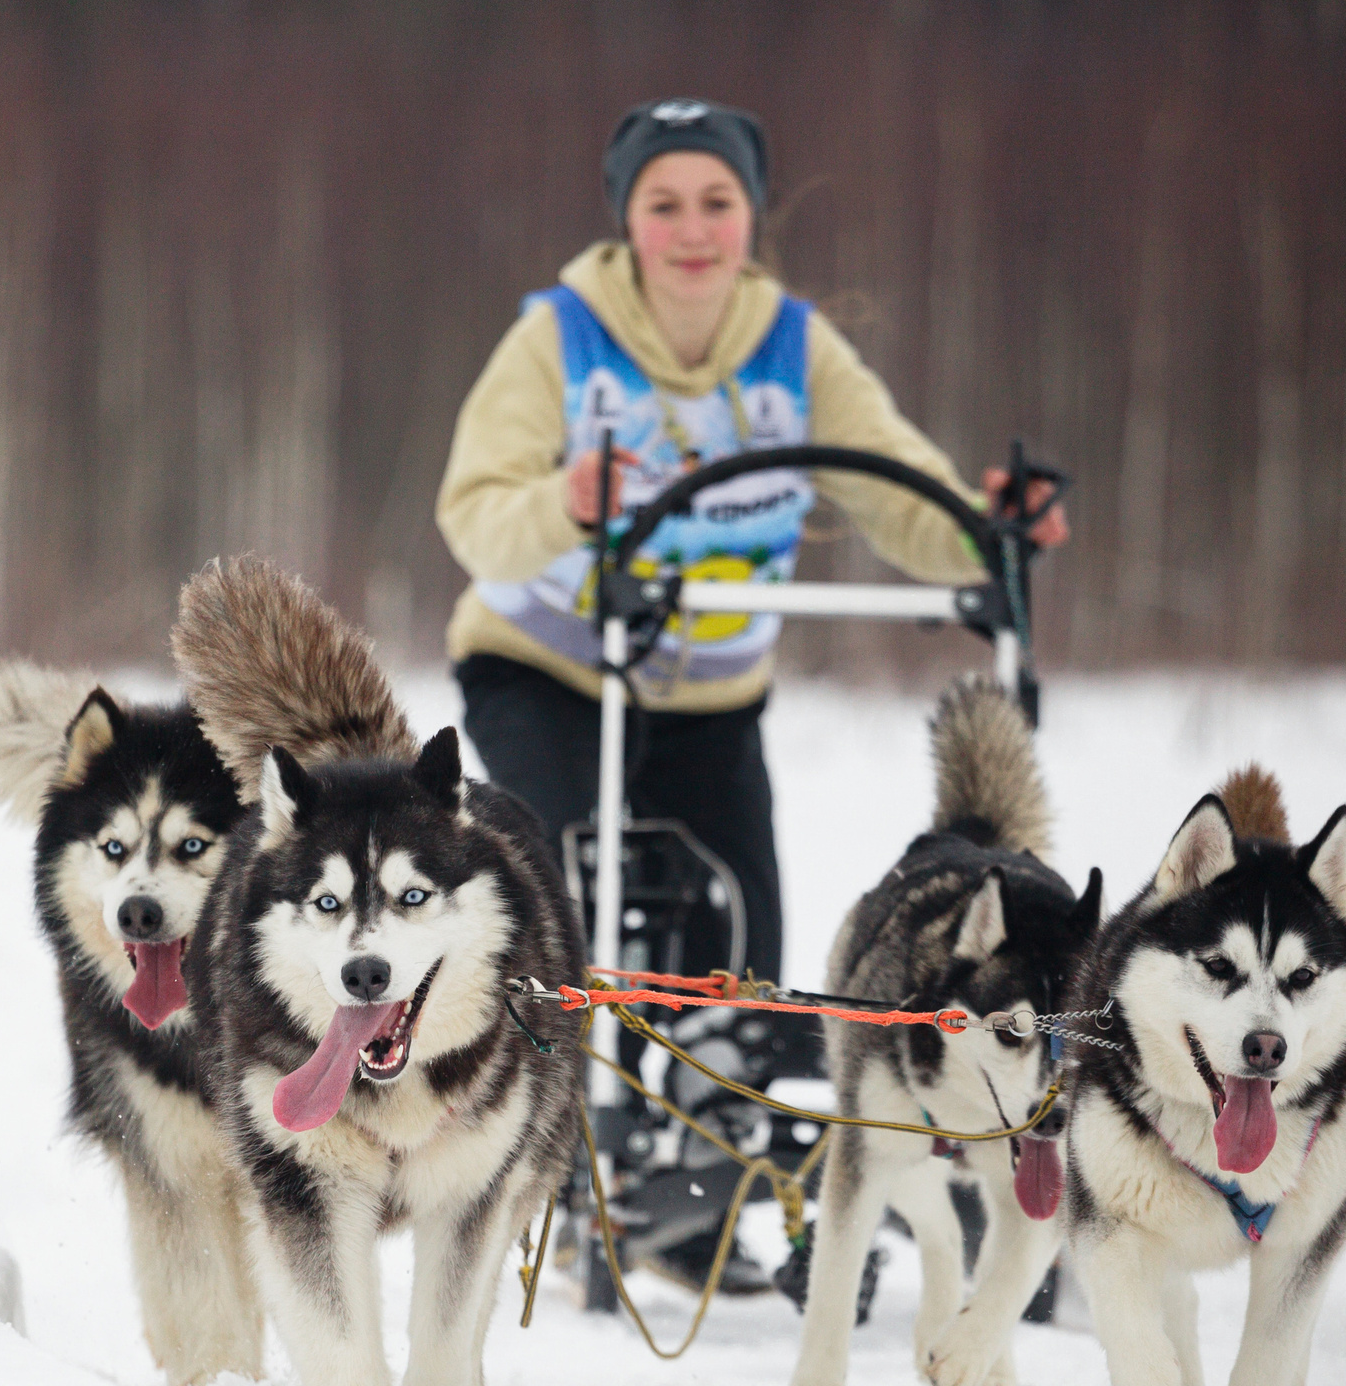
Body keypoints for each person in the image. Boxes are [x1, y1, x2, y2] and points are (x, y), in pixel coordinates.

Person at [435, 97, 1065, 1291]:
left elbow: (898, 492)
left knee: (747, 941)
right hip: (550, 667)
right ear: (626, 218)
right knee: (557, 882)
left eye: (715, 202)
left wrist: (990, 541)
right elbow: (471, 518)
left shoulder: (795, 345)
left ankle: (704, 1178)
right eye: (663, 203)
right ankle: (550, 1151)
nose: (691, 229)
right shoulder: (557, 340)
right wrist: (566, 500)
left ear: (751, 216)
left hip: (712, 694)